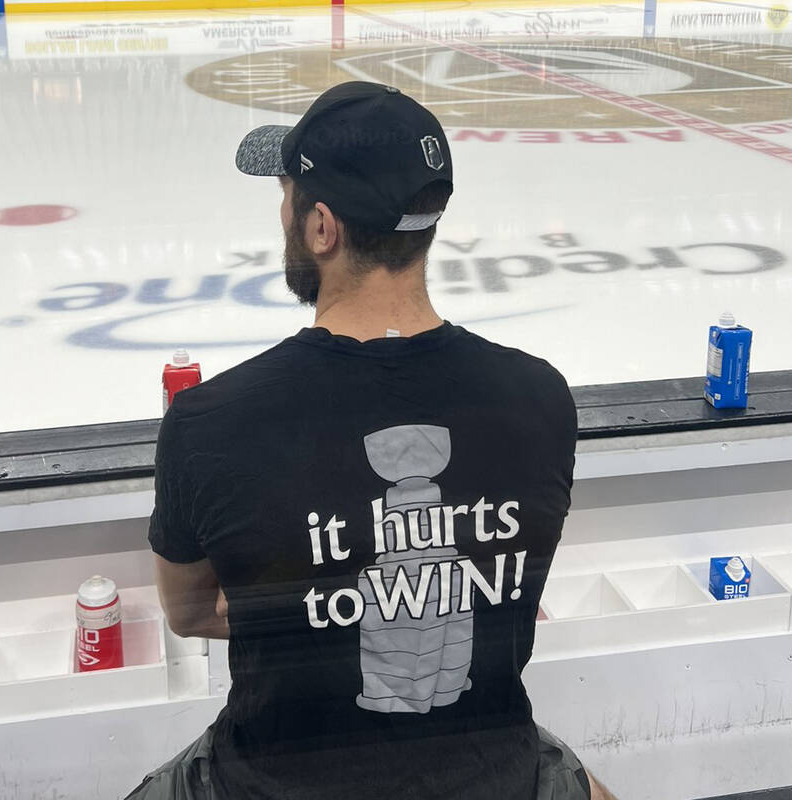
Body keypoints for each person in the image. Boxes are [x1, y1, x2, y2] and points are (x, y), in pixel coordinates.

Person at [129, 81, 617, 800]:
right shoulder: (540, 398)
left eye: (287, 195)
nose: (283, 215)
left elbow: (189, 612)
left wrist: (319, 609)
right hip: (497, 776)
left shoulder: (210, 422)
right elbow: (499, 604)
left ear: (321, 227)